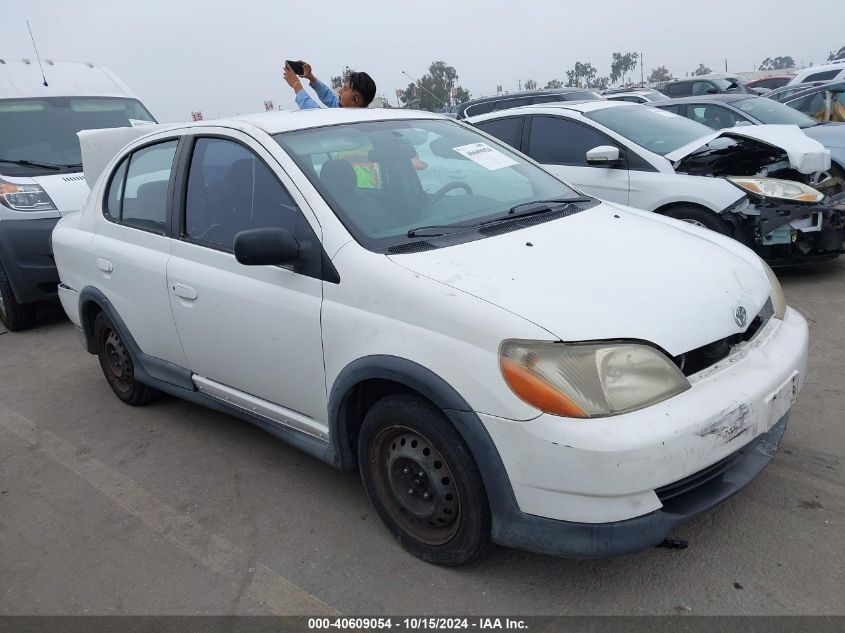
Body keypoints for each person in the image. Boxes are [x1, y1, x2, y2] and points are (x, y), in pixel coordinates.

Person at [283, 62, 376, 110]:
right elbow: (331, 99)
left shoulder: (347, 121)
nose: (340, 90)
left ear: (355, 100)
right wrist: (311, 77)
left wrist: (296, 85)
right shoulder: (351, 111)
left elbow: (315, 115)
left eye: (345, 88)